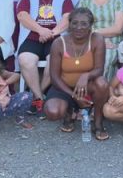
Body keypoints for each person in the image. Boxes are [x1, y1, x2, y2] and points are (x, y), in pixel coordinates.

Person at [45, 8, 109, 138]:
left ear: (90, 25)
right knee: (53, 112)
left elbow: (99, 69)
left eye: (84, 24)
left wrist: (86, 76)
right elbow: (54, 77)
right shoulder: (59, 43)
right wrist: (74, 96)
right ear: (69, 24)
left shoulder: (97, 39)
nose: (79, 27)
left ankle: (98, 122)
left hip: (87, 87)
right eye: (75, 23)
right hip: (63, 87)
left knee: (102, 83)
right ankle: (70, 110)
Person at [16, 0, 73, 113]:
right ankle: (39, 97)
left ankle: (38, 95)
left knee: (54, 59)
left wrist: (51, 33)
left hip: (56, 37)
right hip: (32, 36)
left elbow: (68, 18)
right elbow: (22, 16)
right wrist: (40, 30)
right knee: (25, 60)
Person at [78, 0, 123, 79]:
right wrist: (98, 39)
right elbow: (79, 26)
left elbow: (118, 28)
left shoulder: (117, 2)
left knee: (106, 59)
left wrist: (96, 34)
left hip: (112, 42)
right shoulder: (84, 2)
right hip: (88, 41)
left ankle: (101, 88)